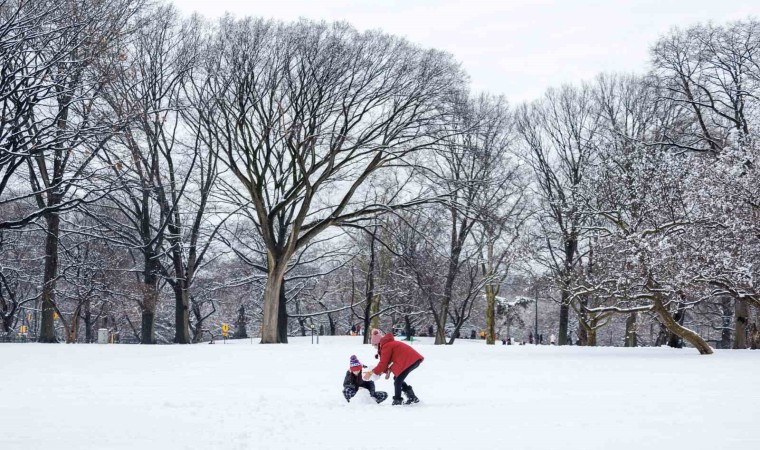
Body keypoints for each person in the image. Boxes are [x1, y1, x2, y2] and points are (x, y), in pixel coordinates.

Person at [364, 332, 424, 406]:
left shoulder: (386, 346)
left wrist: (370, 373)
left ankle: (398, 400)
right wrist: (383, 371)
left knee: (398, 381)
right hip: (412, 360)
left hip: (410, 361)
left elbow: (383, 363)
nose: (374, 347)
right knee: (397, 379)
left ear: (378, 343)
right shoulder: (389, 344)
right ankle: (412, 397)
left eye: (374, 345)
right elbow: (388, 362)